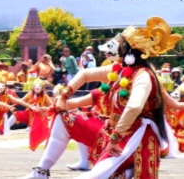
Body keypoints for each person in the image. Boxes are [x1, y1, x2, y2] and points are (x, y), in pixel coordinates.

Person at [54, 17, 181, 178]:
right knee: (105, 174)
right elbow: (85, 74)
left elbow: (135, 107)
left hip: (139, 135)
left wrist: (115, 136)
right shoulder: (119, 70)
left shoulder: (144, 76)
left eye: (120, 44)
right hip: (118, 133)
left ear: (129, 51)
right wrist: (64, 96)